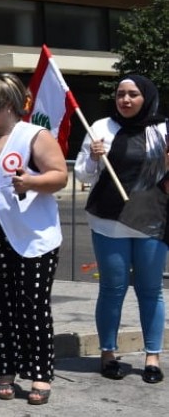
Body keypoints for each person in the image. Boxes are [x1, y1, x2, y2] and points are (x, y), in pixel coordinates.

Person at [0, 73, 67, 406]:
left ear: (8, 103)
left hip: (33, 236)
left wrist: (31, 182)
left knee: (32, 307)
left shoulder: (35, 135)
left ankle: (40, 372)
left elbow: (60, 175)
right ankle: (5, 369)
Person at [74, 74, 167, 384]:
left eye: (133, 95)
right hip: (109, 221)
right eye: (120, 95)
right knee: (112, 289)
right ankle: (108, 353)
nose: (125, 100)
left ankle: (152, 356)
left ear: (147, 97)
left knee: (150, 291)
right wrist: (92, 156)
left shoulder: (163, 130)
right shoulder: (101, 128)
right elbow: (82, 174)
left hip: (151, 221)